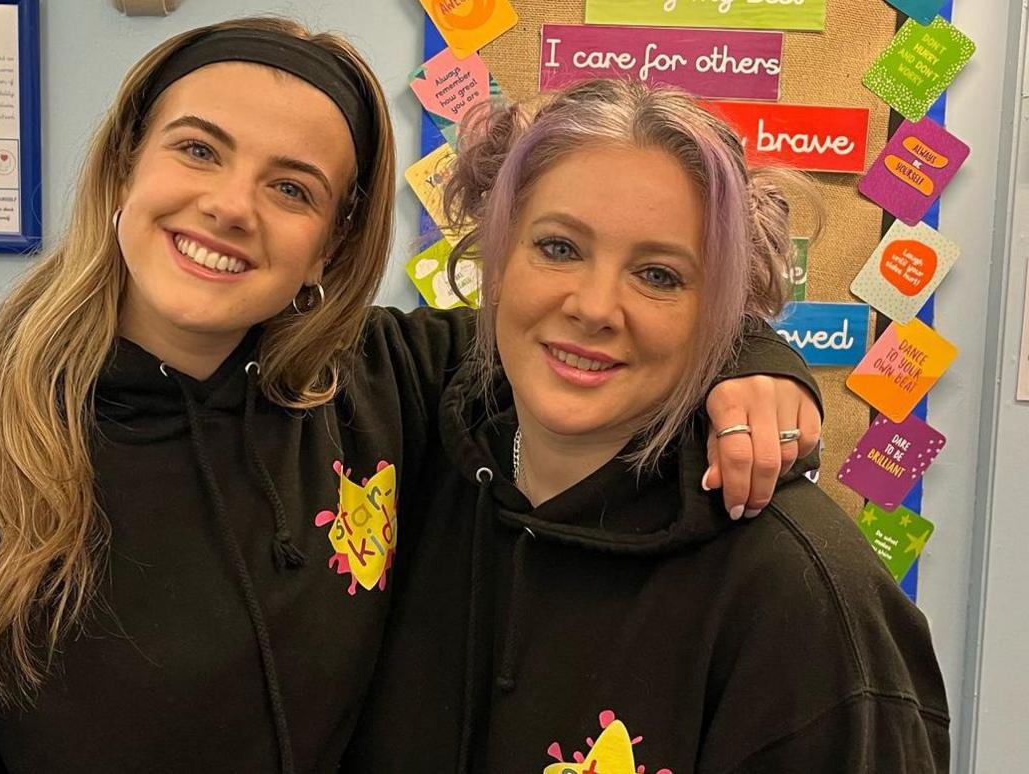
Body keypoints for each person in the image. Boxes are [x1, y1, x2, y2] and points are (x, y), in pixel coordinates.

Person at [0, 21, 821, 773]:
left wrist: (757, 362)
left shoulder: (386, 387)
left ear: (331, 242)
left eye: (291, 188)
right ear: (124, 168)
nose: (229, 206)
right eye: (196, 149)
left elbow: (577, 314)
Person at [344, 80, 948, 773]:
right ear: (499, 254)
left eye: (659, 275)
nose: (596, 306)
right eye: (560, 248)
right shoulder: (418, 455)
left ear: (722, 312)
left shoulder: (801, 596)